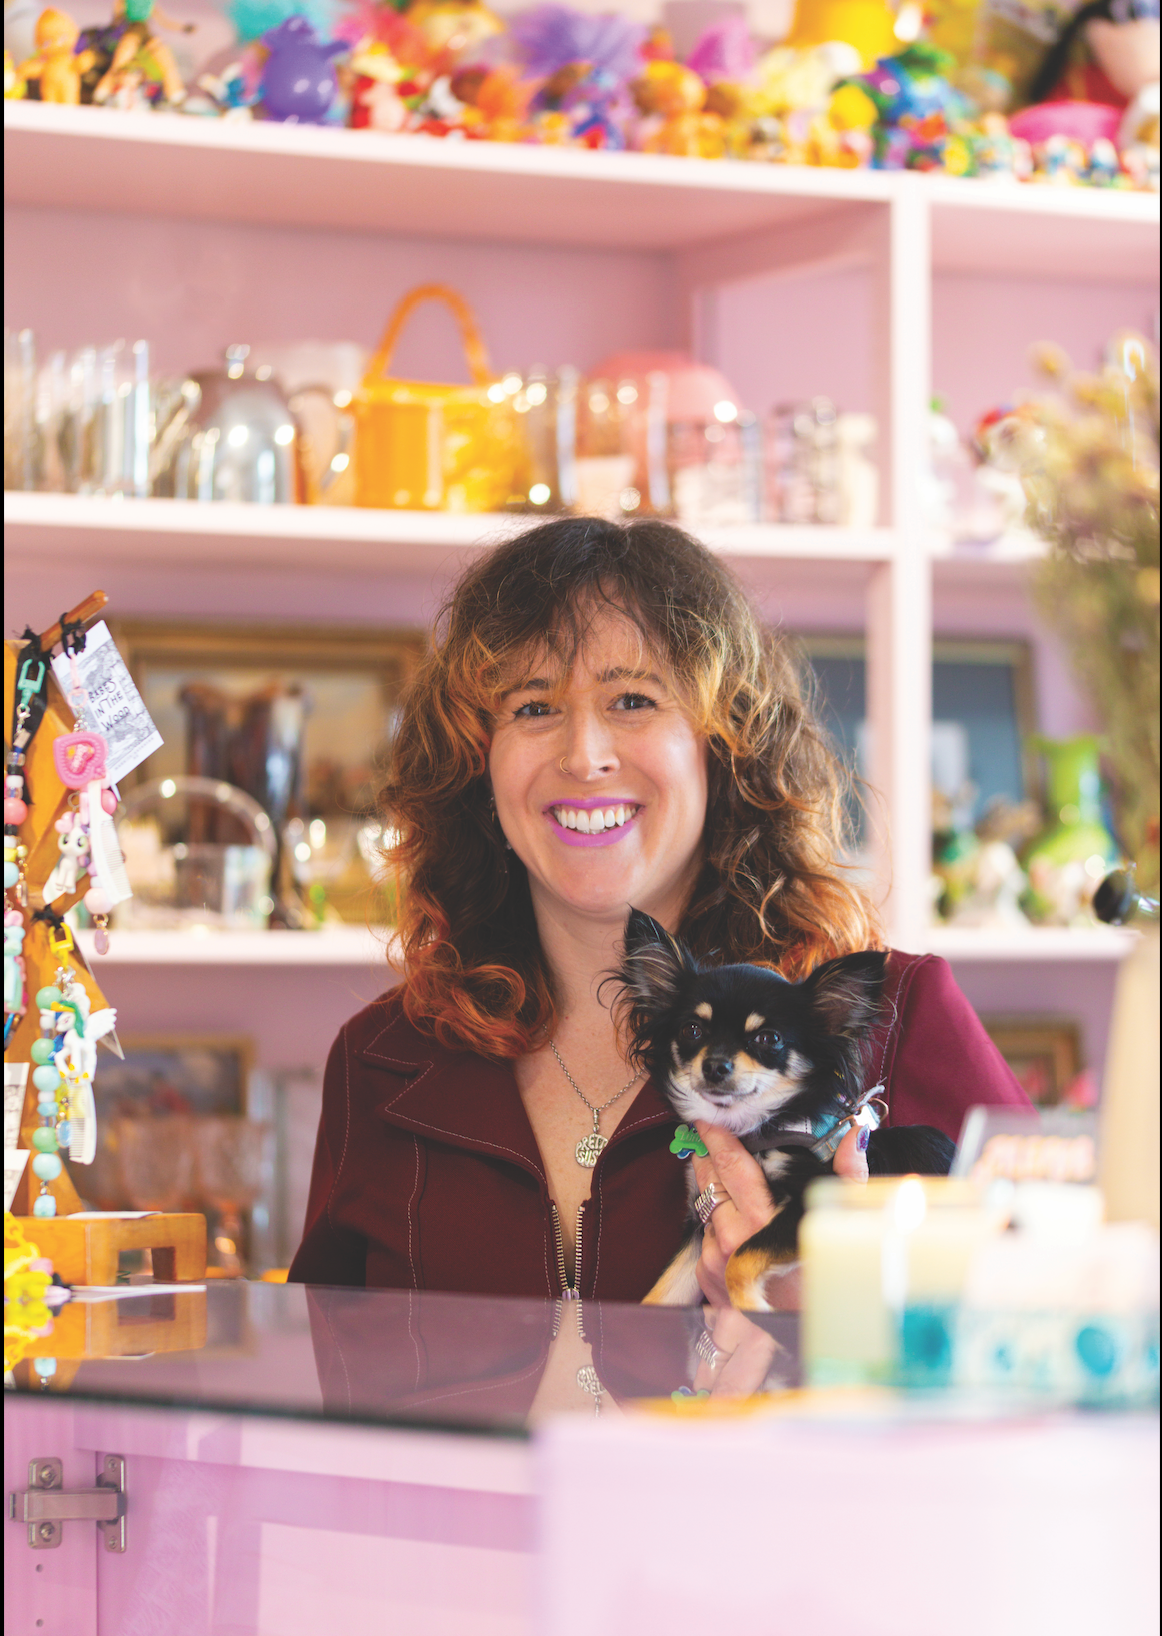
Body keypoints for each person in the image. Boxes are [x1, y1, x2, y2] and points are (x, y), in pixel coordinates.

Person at [289, 517, 1029, 1307]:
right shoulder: (380, 1060)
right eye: (533, 708)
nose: (584, 755)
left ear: (726, 744)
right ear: (479, 762)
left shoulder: (899, 1023)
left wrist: (847, 1319)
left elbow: (1082, 1343)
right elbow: (322, 1394)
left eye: (633, 699)